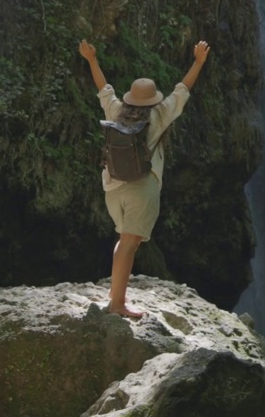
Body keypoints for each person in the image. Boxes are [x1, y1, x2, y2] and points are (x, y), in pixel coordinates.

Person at [78, 38, 210, 318]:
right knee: (130, 243)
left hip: (113, 185)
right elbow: (183, 89)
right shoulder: (160, 114)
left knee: (124, 241)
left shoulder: (116, 112)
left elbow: (104, 89)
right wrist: (198, 62)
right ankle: (117, 305)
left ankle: (115, 297)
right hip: (142, 187)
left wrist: (91, 59)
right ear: (153, 100)